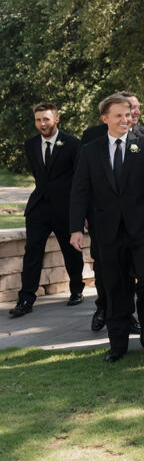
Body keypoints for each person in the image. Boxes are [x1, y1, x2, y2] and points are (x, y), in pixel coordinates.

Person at [69, 94, 144, 362]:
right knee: (114, 287)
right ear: (105, 119)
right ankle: (118, 343)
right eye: (119, 116)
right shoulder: (91, 150)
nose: (125, 120)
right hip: (106, 231)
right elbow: (80, 190)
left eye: (128, 115)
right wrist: (76, 228)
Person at [10, 103, 83, 317]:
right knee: (32, 251)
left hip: (65, 207)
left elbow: (79, 180)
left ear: (56, 120)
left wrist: (80, 212)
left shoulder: (72, 143)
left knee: (71, 251)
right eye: (38, 120)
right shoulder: (30, 144)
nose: (42, 124)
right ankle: (26, 299)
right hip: (39, 207)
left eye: (46, 119)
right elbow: (39, 175)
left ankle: (76, 290)